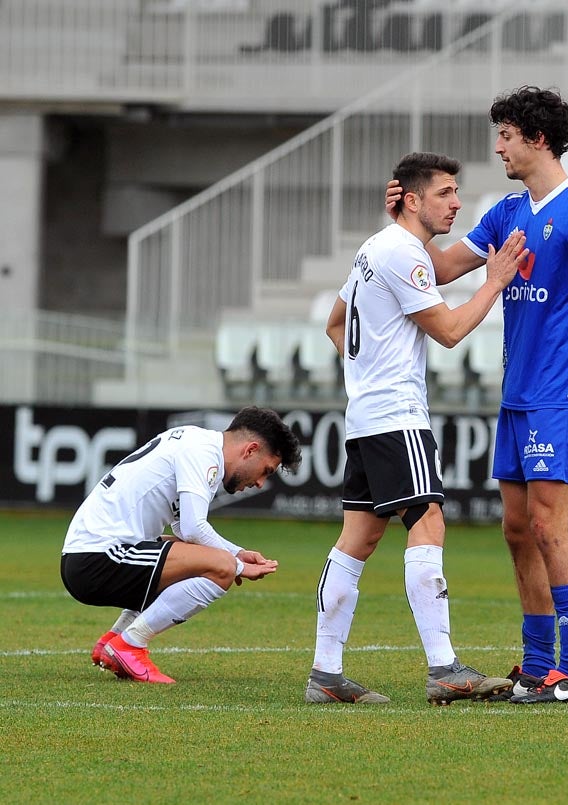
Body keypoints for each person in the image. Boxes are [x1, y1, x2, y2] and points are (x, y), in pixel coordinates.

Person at [385, 86, 568, 704]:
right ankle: (538, 661)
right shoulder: (505, 215)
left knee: (549, 525)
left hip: (563, 394)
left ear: (536, 139)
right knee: (517, 529)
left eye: (506, 136)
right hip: (517, 396)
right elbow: (435, 269)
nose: (498, 149)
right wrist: (404, 223)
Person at [306, 152, 528, 706]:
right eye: (446, 193)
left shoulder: (378, 248)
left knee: (357, 540)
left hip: (364, 417)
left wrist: (366, 374)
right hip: (396, 416)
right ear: (411, 198)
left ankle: (324, 674)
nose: (456, 202)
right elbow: (450, 331)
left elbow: (335, 324)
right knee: (427, 520)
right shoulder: (402, 253)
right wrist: (495, 279)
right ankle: (444, 667)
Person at [61, 406, 302, 684]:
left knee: (204, 557)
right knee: (220, 567)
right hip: (98, 557)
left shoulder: (196, 442)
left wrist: (236, 552)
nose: (260, 482)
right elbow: (193, 528)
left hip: (87, 556)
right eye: (266, 471)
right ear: (250, 450)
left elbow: (183, 530)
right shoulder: (203, 453)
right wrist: (235, 564)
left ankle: (114, 640)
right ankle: (130, 644)